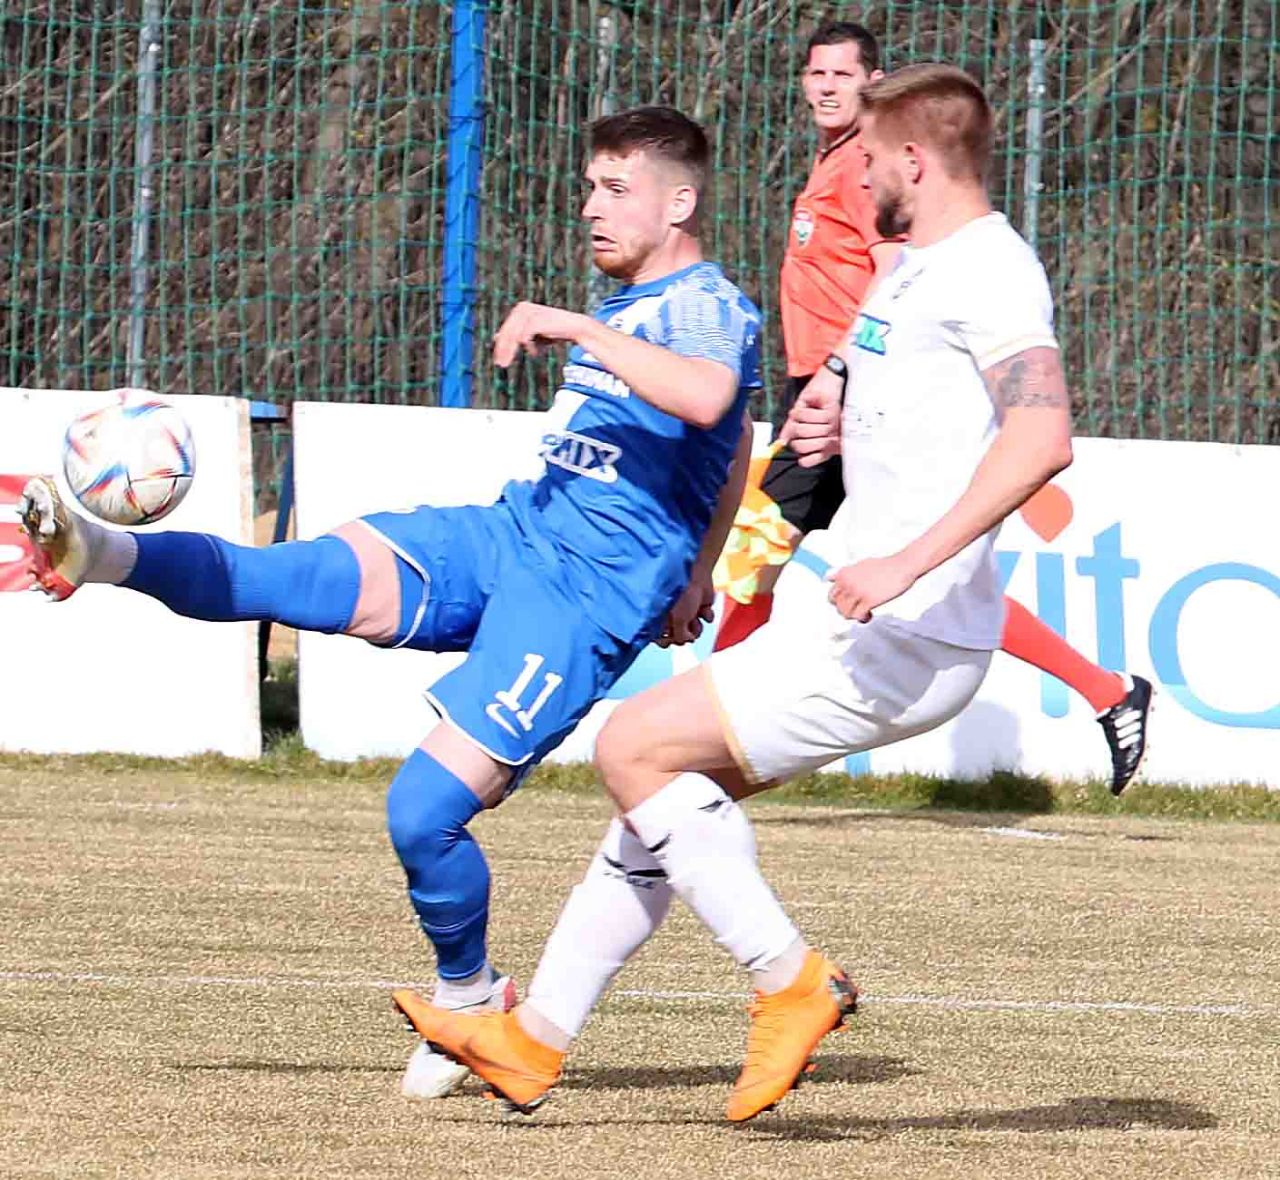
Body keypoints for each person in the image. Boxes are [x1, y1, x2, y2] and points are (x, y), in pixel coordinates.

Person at [18, 107, 760, 1102]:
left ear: (679, 202)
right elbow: (732, 440)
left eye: (616, 189)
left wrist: (582, 332)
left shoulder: (704, 305)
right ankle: (102, 550)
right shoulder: (629, 306)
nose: (591, 206)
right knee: (292, 576)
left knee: (420, 814)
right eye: (590, 185)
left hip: (585, 602)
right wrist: (704, 563)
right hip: (514, 533)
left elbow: (710, 399)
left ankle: (469, 995)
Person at [393, 63, 1080, 1124]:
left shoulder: (990, 270)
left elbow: (1041, 436)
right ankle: (531, 1040)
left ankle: (789, 978)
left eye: (866, 160)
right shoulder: (913, 266)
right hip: (862, 616)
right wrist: (834, 404)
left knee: (633, 746)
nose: (852, 179)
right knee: (659, 809)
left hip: (905, 626)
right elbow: (878, 365)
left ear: (911, 158)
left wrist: (904, 562)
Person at [717, 20, 1151, 794]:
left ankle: (714, 730)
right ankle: (1106, 690)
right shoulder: (841, 164)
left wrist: (842, 368)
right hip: (832, 391)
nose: (825, 87)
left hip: (868, 393)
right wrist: (833, 375)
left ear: (874, 85)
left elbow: (896, 270)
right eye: (815, 73)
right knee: (920, 582)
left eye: (842, 75)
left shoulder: (876, 175)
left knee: (758, 559)